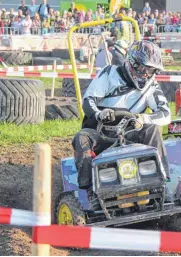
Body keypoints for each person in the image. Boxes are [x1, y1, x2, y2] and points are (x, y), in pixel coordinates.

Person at [72, 41, 171, 197]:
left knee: (152, 129)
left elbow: (166, 114)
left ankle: (163, 182)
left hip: (131, 134)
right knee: (82, 137)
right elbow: (87, 101)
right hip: (102, 134)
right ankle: (89, 190)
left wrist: (142, 118)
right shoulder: (109, 73)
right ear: (133, 63)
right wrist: (99, 114)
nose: (147, 75)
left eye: (152, 71)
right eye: (145, 69)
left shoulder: (151, 86)